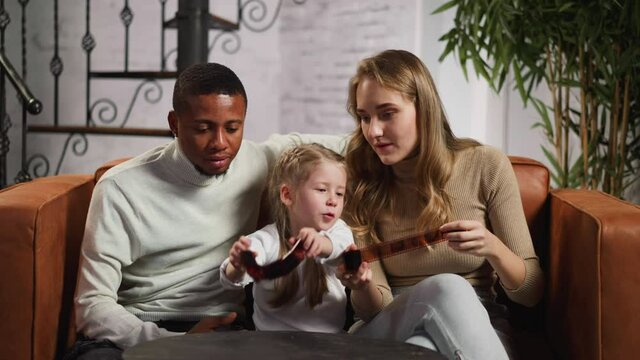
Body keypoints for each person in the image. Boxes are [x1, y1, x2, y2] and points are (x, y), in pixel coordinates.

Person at [67, 63, 347, 360]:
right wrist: (172, 343)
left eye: (232, 128)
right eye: (202, 129)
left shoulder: (258, 159)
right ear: (174, 124)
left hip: (224, 330)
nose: (220, 143)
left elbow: (356, 145)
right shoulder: (120, 188)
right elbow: (92, 303)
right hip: (139, 328)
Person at [337, 49, 544, 360]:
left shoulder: (485, 165)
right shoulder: (359, 180)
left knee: (426, 350)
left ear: (424, 109)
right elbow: (373, 309)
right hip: (390, 324)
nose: (373, 131)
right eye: (364, 117)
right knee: (448, 287)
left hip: (478, 328)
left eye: (387, 113)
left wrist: (491, 246)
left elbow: (530, 292)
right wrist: (361, 285)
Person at [220, 143, 354, 333]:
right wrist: (239, 264)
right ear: (288, 195)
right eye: (322, 190)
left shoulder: (339, 232)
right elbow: (232, 278)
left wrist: (321, 243)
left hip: (329, 347)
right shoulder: (267, 239)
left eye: (339, 193)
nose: (333, 200)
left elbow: (343, 249)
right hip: (270, 347)